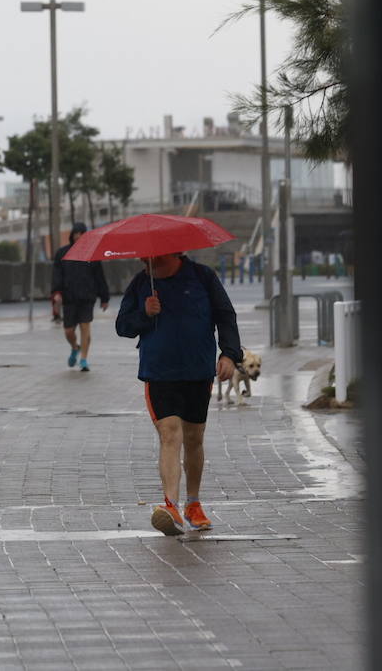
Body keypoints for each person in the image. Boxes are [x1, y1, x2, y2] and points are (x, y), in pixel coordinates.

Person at [115, 252, 241, 535]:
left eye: (150, 256)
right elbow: (123, 327)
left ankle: (193, 504)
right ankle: (170, 506)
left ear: (171, 252)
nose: (143, 260)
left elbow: (225, 316)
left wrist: (230, 355)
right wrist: (144, 314)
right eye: (141, 257)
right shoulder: (140, 284)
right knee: (170, 433)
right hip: (159, 372)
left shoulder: (202, 277)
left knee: (194, 438)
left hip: (197, 370)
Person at [51, 222, 110, 372]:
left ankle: (84, 359)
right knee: (68, 331)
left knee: (85, 327)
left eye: (82, 233)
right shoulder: (62, 253)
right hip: (69, 298)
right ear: (72, 234)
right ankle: (75, 347)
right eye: (76, 233)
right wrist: (57, 293)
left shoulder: (92, 253)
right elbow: (57, 275)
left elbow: (99, 276)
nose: (79, 236)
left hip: (87, 297)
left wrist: (104, 297)